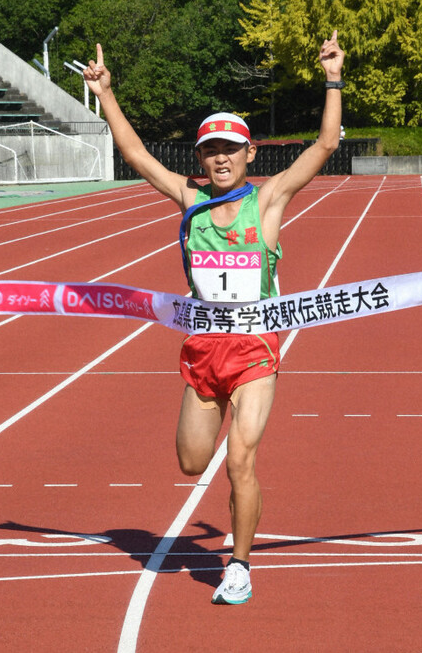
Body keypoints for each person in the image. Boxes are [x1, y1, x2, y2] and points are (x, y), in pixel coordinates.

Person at [83, 31, 345, 604]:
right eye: (210, 148)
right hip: (203, 353)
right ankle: (234, 548)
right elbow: (134, 155)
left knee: (240, 457)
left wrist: (332, 77)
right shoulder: (188, 201)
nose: (221, 156)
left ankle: (240, 565)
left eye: (231, 146)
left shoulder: (269, 202)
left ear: (250, 153)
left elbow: (326, 144)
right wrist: (105, 94)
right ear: (199, 157)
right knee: (189, 462)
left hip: (255, 351)